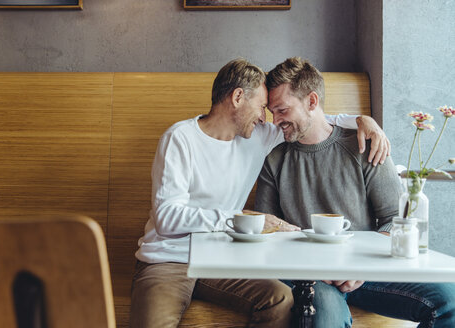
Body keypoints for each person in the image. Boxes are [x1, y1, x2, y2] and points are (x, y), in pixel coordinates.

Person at [130, 58, 390, 328]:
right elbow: (167, 219)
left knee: (280, 300)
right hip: (168, 260)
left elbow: (316, 121)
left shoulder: (258, 135)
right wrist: (239, 218)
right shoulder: (180, 138)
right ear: (238, 97)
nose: (266, 118)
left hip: (221, 259)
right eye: (262, 107)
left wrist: (364, 121)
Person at [255, 56, 455, 328]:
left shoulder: (366, 148)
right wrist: (310, 263)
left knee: (449, 300)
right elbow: (265, 232)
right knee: (324, 319)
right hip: (309, 274)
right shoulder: (274, 161)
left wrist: (360, 267)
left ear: (312, 102)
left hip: (367, 270)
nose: (275, 120)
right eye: (272, 112)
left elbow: (394, 221)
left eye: (282, 110)